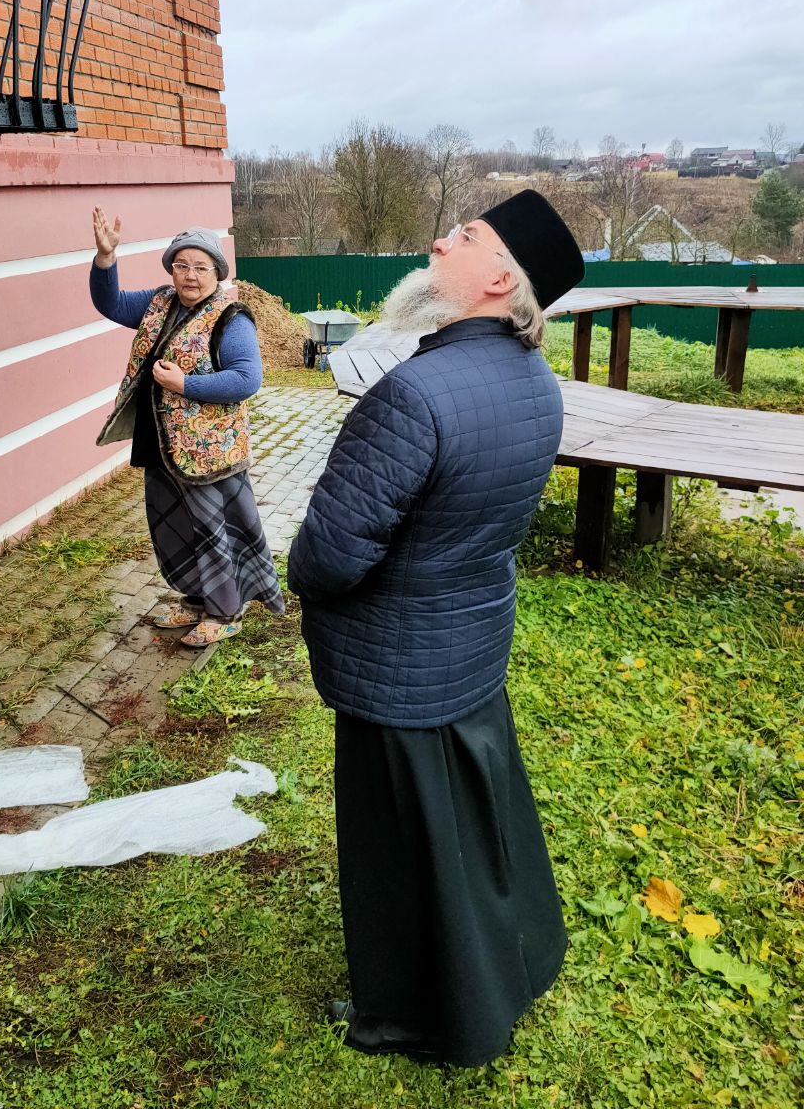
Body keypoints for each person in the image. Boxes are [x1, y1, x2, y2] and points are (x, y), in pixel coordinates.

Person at [287, 189, 585, 1065]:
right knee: (477, 823)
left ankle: (417, 1016)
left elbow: (328, 557)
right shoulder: (536, 383)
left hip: (396, 665)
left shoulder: (412, 394)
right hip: (470, 649)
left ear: (500, 279)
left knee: (401, 851)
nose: (438, 241)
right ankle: (518, 958)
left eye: (465, 234)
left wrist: (301, 572)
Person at [90, 207, 284, 646]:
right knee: (174, 526)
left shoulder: (231, 319)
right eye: (181, 265)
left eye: (200, 267)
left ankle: (226, 611)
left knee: (212, 530)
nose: (190, 276)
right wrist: (106, 259)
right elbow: (110, 303)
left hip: (207, 452)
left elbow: (247, 379)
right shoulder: (160, 303)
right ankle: (196, 599)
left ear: (217, 272)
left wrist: (185, 384)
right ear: (171, 270)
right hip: (160, 443)